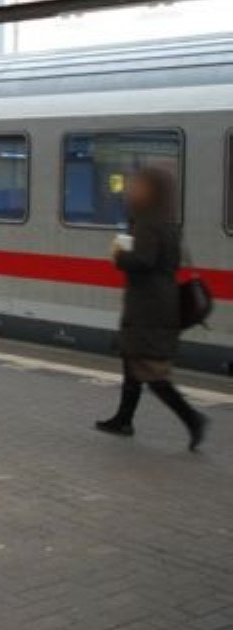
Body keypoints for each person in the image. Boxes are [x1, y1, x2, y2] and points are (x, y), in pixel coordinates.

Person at [96, 166, 207, 450]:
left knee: (153, 373)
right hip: (159, 302)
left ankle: (193, 419)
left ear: (152, 192)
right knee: (132, 361)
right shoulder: (167, 222)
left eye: (138, 186)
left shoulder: (149, 223)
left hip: (148, 307)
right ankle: (123, 419)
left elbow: (143, 260)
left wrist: (119, 256)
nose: (132, 190)